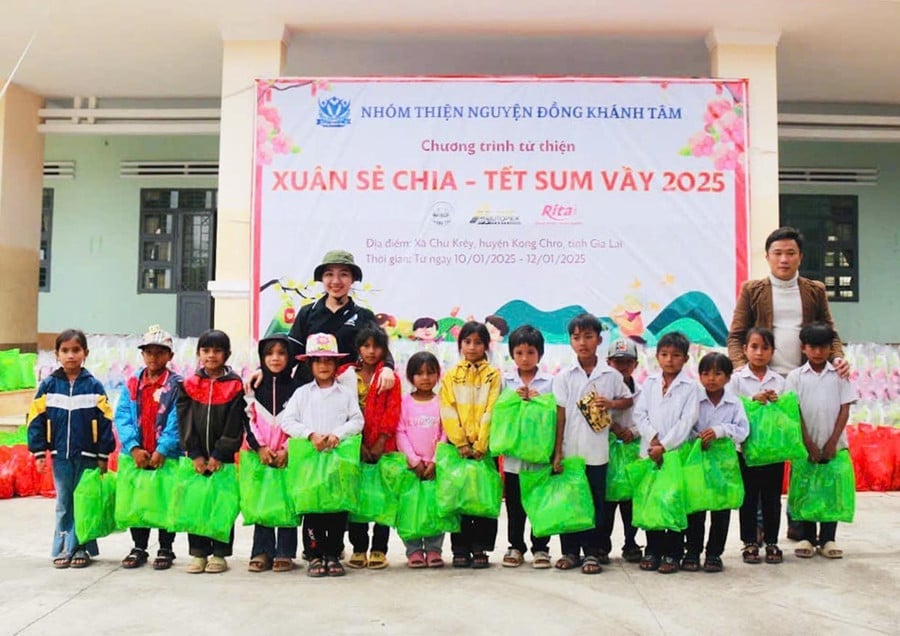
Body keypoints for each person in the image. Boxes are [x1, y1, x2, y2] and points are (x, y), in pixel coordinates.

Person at [27, 329, 115, 569]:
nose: (71, 355)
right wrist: (38, 451)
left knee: (84, 501)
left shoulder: (94, 386)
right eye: (65, 351)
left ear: (85, 353)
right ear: (57, 354)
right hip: (60, 456)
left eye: (76, 350)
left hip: (88, 456)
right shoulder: (48, 385)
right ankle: (64, 547)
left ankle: (82, 548)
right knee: (65, 502)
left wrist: (103, 454)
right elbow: (35, 418)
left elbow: (106, 420)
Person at [553, 314, 633, 574]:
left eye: (588, 337)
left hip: (597, 452)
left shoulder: (610, 375)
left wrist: (610, 404)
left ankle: (592, 553)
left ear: (599, 340)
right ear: (570, 342)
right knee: (571, 501)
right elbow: (560, 415)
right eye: (576, 337)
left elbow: (627, 400)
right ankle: (569, 551)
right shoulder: (565, 376)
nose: (582, 342)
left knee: (596, 502)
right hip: (570, 451)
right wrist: (557, 454)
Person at [280, 333, 364, 578]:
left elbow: (358, 420)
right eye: (318, 361)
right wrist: (310, 434)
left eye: (329, 360)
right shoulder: (303, 393)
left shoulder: (345, 394)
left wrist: (338, 434)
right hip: (310, 461)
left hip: (337, 460)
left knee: (336, 509)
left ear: (336, 364)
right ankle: (315, 554)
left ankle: (333, 553)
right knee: (313, 510)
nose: (324, 365)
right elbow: (288, 421)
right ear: (310, 365)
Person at [727, 226, 848, 377]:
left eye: (790, 253)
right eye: (777, 253)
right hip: (764, 378)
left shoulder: (815, 290)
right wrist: (741, 367)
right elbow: (736, 336)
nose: (784, 260)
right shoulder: (751, 290)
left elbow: (830, 333)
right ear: (767, 257)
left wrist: (837, 357)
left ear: (800, 257)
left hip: (805, 376)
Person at [177, 329, 248, 574]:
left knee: (221, 504)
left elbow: (235, 424)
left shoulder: (235, 386)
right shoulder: (188, 385)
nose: (211, 356)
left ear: (227, 354)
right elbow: (184, 421)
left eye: (217, 351)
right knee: (196, 503)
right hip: (196, 459)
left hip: (223, 460)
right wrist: (194, 452)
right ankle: (198, 553)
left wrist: (220, 453)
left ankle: (219, 553)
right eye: (206, 350)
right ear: (198, 354)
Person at [785, 322, 856, 560]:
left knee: (830, 490)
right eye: (812, 347)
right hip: (805, 446)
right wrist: (809, 444)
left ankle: (828, 538)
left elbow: (845, 409)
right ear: (804, 348)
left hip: (834, 444)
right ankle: (806, 536)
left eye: (823, 347)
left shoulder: (839, 375)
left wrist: (832, 442)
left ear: (829, 348)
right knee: (806, 488)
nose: (817, 352)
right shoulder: (795, 377)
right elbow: (794, 412)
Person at [115, 325, 182, 571]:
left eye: (160, 353)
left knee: (166, 499)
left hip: (166, 455)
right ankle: (139, 546)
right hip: (138, 454)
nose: (154, 357)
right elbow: (122, 415)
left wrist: (163, 448)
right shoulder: (133, 383)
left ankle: (166, 546)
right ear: (142, 355)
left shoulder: (176, 385)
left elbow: (177, 418)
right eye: (149, 352)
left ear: (170, 356)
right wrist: (133, 447)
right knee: (139, 499)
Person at [634, 331, 699, 574]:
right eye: (664, 354)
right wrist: (652, 438)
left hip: (674, 453)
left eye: (675, 355)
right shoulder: (649, 383)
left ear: (685, 358)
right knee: (650, 500)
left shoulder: (691, 387)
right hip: (649, 451)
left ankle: (673, 553)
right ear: (657, 356)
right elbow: (639, 414)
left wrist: (665, 445)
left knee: (672, 502)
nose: (669, 360)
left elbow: (687, 420)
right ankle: (652, 549)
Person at [439, 321, 502, 569]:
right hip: (460, 450)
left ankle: (481, 548)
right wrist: (461, 442)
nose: (472, 347)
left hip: (483, 451)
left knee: (483, 498)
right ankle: (460, 548)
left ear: (486, 345)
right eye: (467, 342)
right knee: (461, 498)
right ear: (460, 344)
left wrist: (481, 444)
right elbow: (448, 409)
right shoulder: (451, 376)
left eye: (478, 342)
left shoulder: (493, 375)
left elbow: (492, 409)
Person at [339, 325, 401, 570]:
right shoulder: (344, 374)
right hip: (353, 445)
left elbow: (393, 410)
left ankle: (379, 549)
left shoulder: (389, 377)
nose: (371, 351)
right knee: (357, 498)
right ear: (358, 348)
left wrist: (380, 442)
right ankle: (359, 547)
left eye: (377, 346)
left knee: (382, 497)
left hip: (383, 446)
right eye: (366, 346)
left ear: (385, 350)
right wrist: (359, 444)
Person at [682, 352, 749, 573]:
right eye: (706, 373)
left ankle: (714, 554)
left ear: (728, 377)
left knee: (720, 509)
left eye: (718, 373)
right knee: (696, 507)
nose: (711, 378)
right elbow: (684, 426)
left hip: (723, 466)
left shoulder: (734, 403)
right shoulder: (694, 401)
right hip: (697, 461)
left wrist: (720, 431)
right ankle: (692, 551)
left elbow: (742, 431)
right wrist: (697, 437)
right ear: (699, 376)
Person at [727, 327, 787, 565]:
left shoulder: (779, 381)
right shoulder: (737, 380)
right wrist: (752, 400)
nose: (759, 353)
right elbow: (731, 405)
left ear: (772, 352)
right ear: (744, 349)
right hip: (746, 448)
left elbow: (786, 415)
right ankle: (749, 541)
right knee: (749, 497)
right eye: (754, 347)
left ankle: (772, 541)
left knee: (772, 498)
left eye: (765, 348)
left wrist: (776, 403)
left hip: (772, 451)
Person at [499, 325, 555, 569]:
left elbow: (554, 414)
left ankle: (541, 547)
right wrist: (514, 399)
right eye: (519, 352)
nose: (525, 358)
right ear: (512, 354)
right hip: (513, 458)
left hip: (540, 457)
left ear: (540, 354)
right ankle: (515, 546)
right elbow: (499, 412)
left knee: (541, 502)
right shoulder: (505, 381)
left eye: (530, 352)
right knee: (514, 505)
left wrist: (538, 400)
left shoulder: (550, 382)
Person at [245, 334, 298, 573]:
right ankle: (261, 551)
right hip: (260, 455)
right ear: (262, 357)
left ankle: (285, 552)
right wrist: (260, 447)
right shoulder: (253, 387)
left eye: (281, 353)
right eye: (269, 353)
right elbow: (248, 419)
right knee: (263, 500)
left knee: (288, 502)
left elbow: (301, 421)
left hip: (288, 457)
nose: (275, 358)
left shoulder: (298, 388)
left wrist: (288, 449)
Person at [396, 351, 447, 568]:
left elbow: (446, 432)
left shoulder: (443, 403)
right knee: (410, 508)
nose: (425, 378)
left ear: (438, 375)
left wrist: (435, 461)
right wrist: (414, 461)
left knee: (435, 508)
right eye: (419, 373)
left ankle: (434, 549)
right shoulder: (404, 403)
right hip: (412, 468)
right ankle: (414, 550)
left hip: (435, 468)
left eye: (430, 373)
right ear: (410, 377)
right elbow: (400, 432)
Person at [600, 337, 644, 564]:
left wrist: (633, 432)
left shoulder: (642, 392)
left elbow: (649, 417)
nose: (623, 366)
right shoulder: (601, 388)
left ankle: (631, 542)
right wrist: (613, 427)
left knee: (630, 501)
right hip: (608, 450)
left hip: (632, 450)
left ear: (635, 364)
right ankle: (602, 546)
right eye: (618, 362)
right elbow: (593, 414)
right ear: (608, 363)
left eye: (628, 361)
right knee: (607, 503)